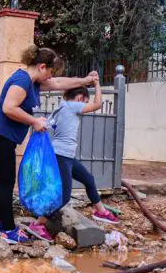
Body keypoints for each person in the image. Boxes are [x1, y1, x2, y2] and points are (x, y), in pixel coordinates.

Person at [0, 45, 98, 244]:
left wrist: (86, 80)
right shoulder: (22, 79)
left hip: (1, 137)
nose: (50, 78)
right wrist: (34, 121)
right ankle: (8, 230)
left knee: (3, 181)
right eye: (50, 73)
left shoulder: (33, 82)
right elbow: (9, 107)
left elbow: (60, 83)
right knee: (7, 182)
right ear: (42, 67)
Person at [25, 77, 119, 242]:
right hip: (62, 156)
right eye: (84, 101)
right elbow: (97, 104)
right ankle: (38, 223)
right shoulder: (72, 106)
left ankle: (101, 211)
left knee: (88, 179)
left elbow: (47, 126)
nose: (85, 106)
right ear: (80, 98)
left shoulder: (60, 108)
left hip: (64, 155)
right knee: (64, 196)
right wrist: (97, 84)